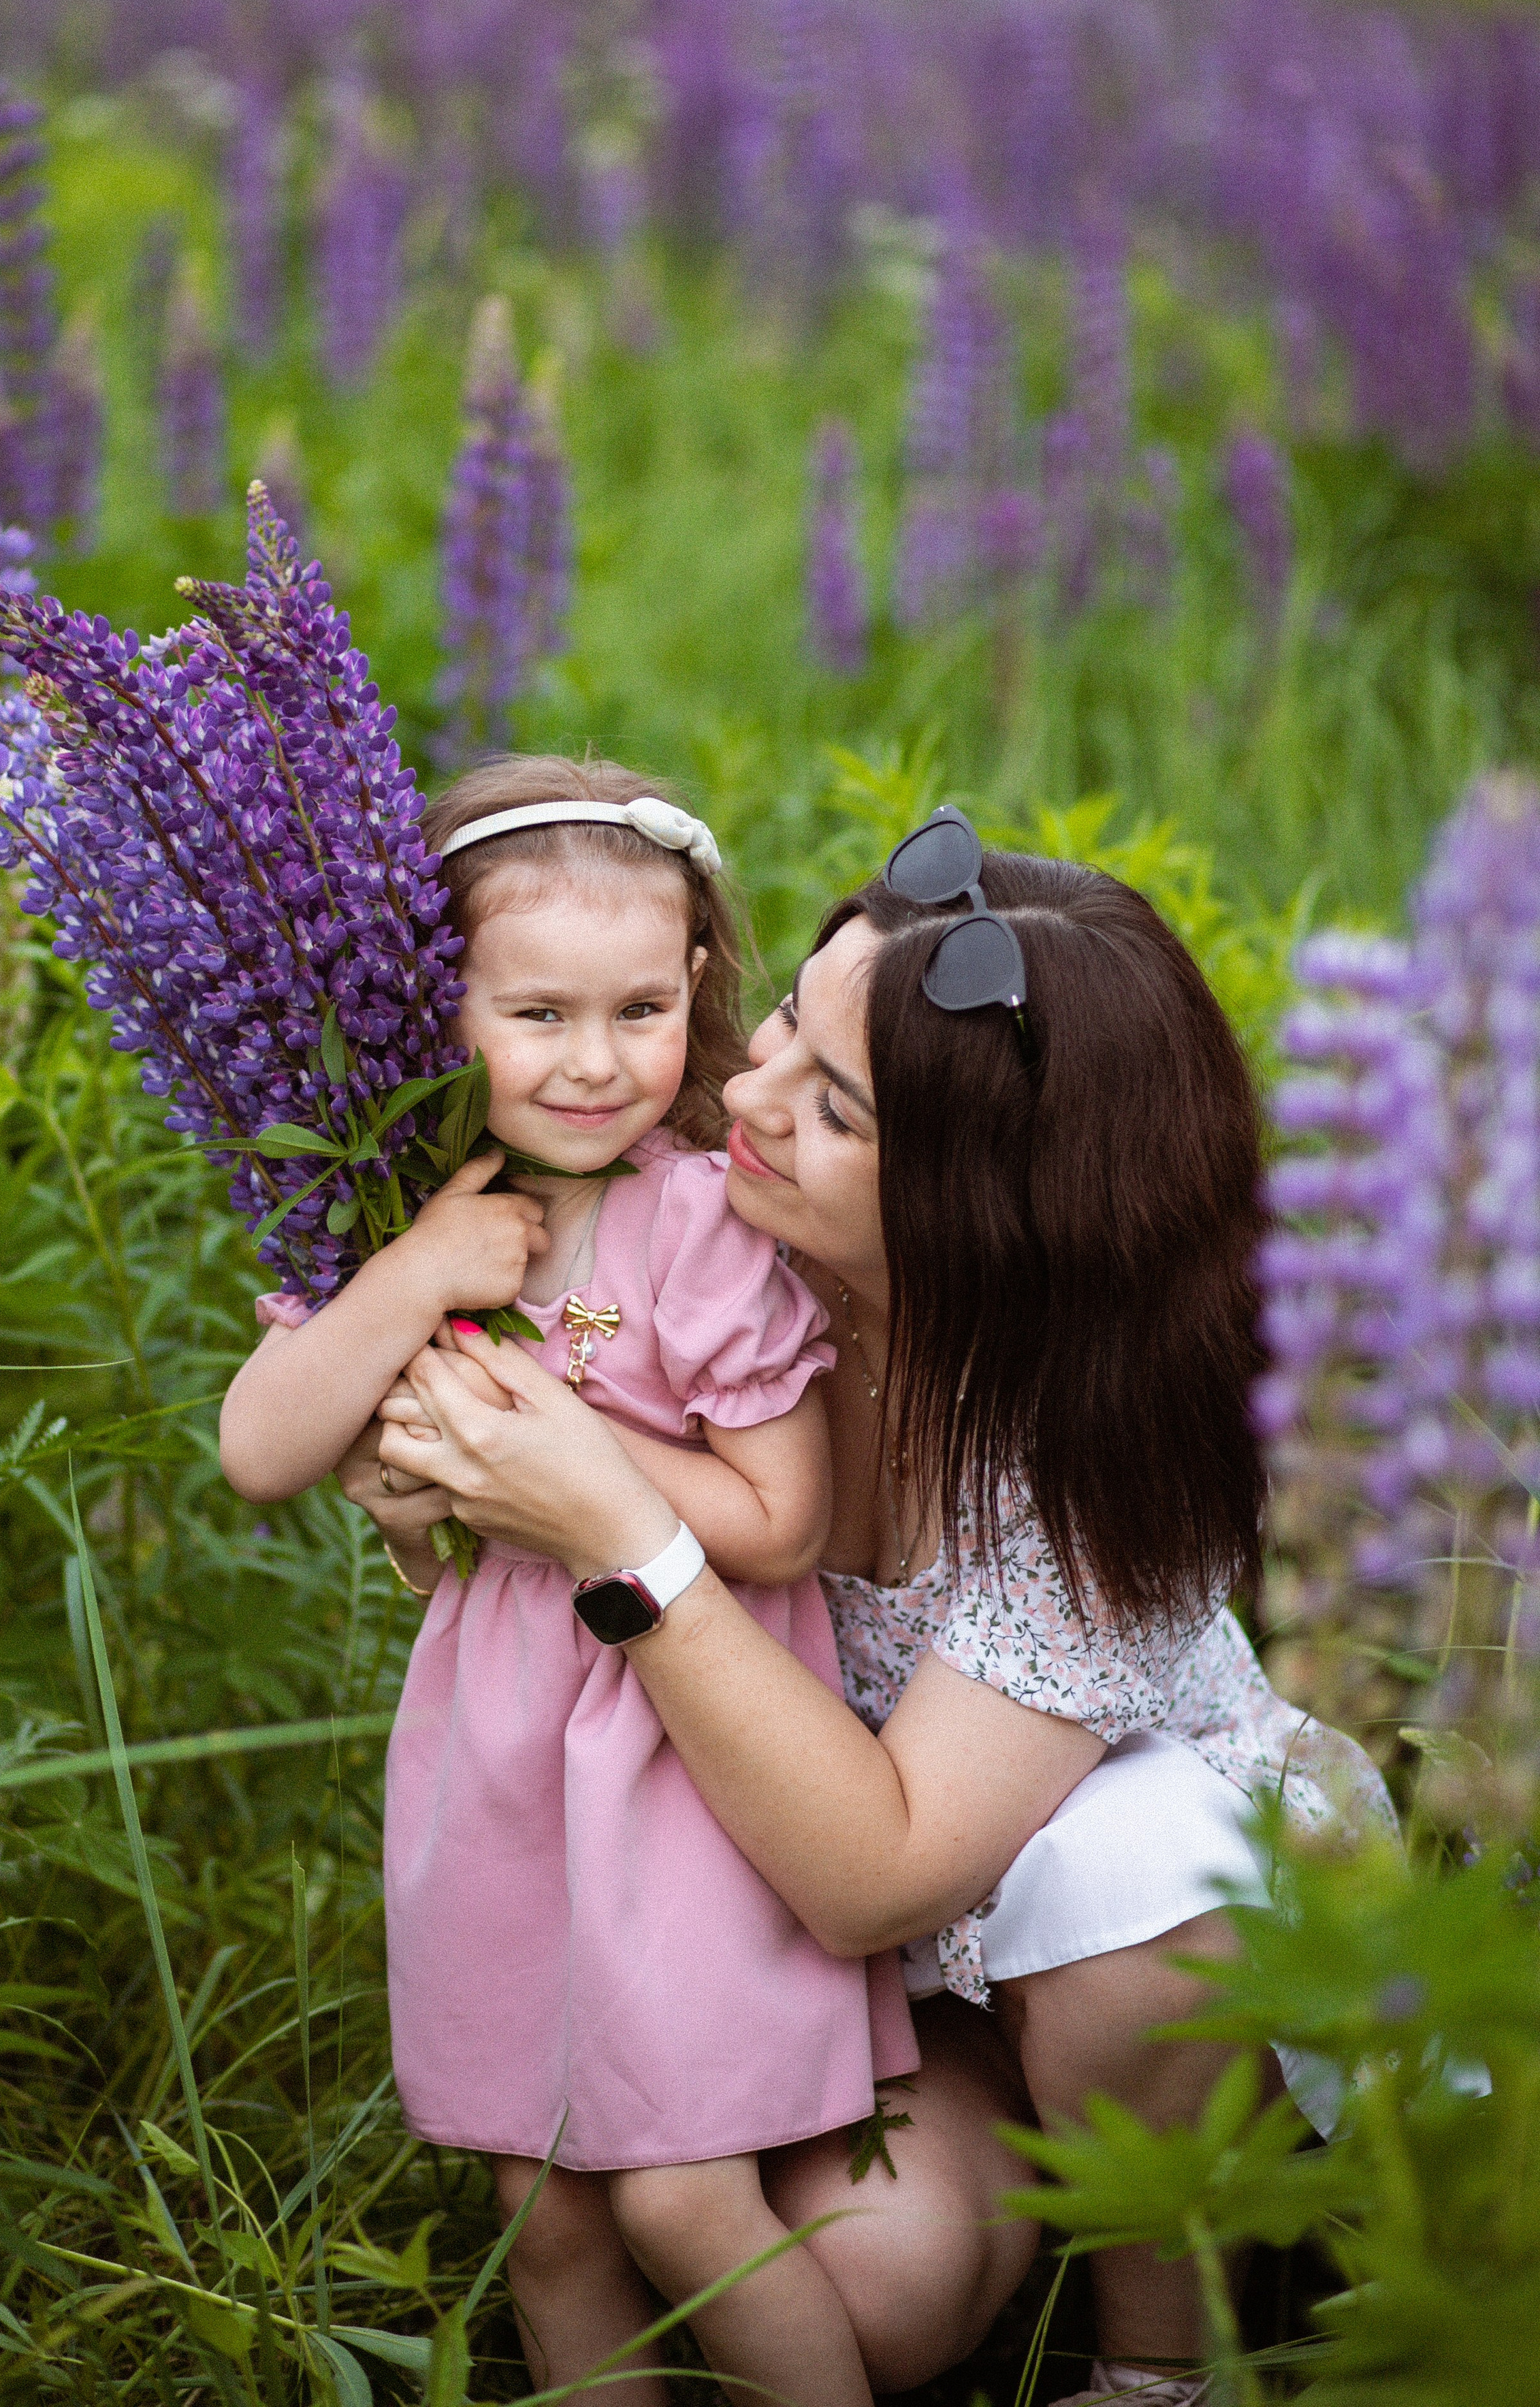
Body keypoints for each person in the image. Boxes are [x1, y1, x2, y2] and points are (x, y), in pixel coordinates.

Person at [354, 808, 1394, 2407]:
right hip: (859, 1949)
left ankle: (1159, 2355)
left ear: (983, 1202)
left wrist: (615, 1527)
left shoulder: (1097, 1465)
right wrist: (439, 1503)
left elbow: (877, 1874)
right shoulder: (723, 1258)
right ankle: (1006, 2199)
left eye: (830, 1107)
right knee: (863, 2292)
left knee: (1133, 1871)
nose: (744, 1094)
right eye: (780, 1023)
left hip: (1101, 1938)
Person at [219, 756, 917, 2407]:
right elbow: (258, 1449)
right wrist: (413, 1275)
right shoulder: (397, 1208)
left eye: (638, 1011)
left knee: (683, 2198)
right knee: (542, 2217)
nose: (594, 1063)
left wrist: (557, 1460)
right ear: (428, 1009)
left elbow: (783, 1519)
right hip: (504, 1765)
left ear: (697, 986)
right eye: (535, 1015)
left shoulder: (700, 1222)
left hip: (685, 1754)